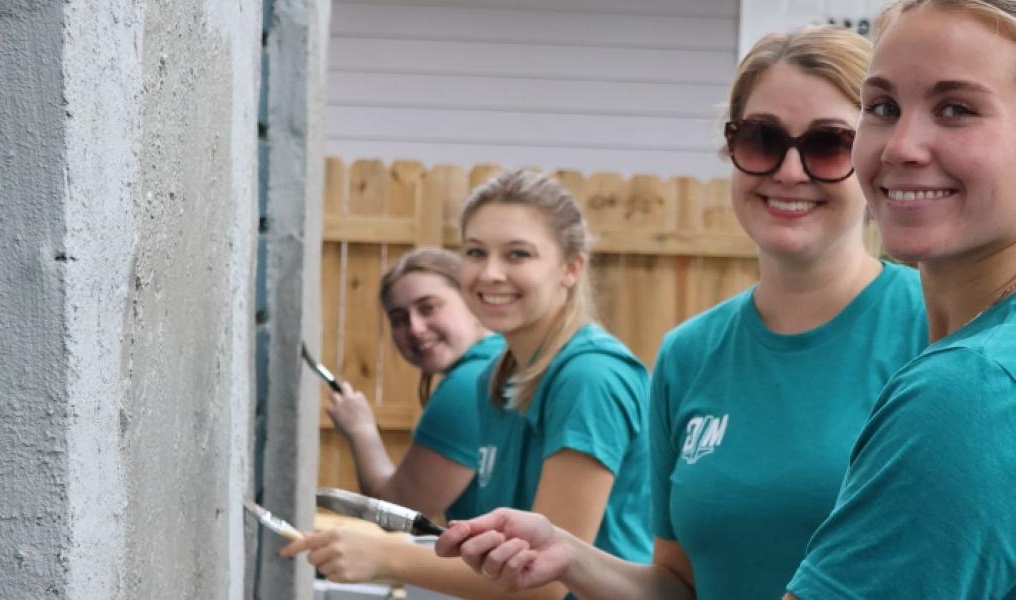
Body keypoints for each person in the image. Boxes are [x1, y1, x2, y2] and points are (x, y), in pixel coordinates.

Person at [443, 1, 1016, 597]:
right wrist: (573, 557)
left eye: (957, 110)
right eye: (885, 107)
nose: (900, 146)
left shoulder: (975, 386)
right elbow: (684, 584)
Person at [428, 25, 933, 600]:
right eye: (762, 140)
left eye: (828, 144)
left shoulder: (938, 329)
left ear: (873, 156)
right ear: (732, 150)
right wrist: (566, 555)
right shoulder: (689, 354)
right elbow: (678, 585)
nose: (790, 172)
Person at [286, 169, 652, 600]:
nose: (490, 273)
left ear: (570, 268)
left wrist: (388, 557)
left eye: (518, 254)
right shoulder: (496, 378)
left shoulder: (590, 379)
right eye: (475, 252)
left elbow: (544, 580)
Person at [323, 247, 502, 520]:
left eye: (428, 307)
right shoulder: (501, 360)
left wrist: (361, 431)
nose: (415, 328)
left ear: (474, 302)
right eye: (399, 319)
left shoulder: (468, 386)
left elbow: (399, 514)